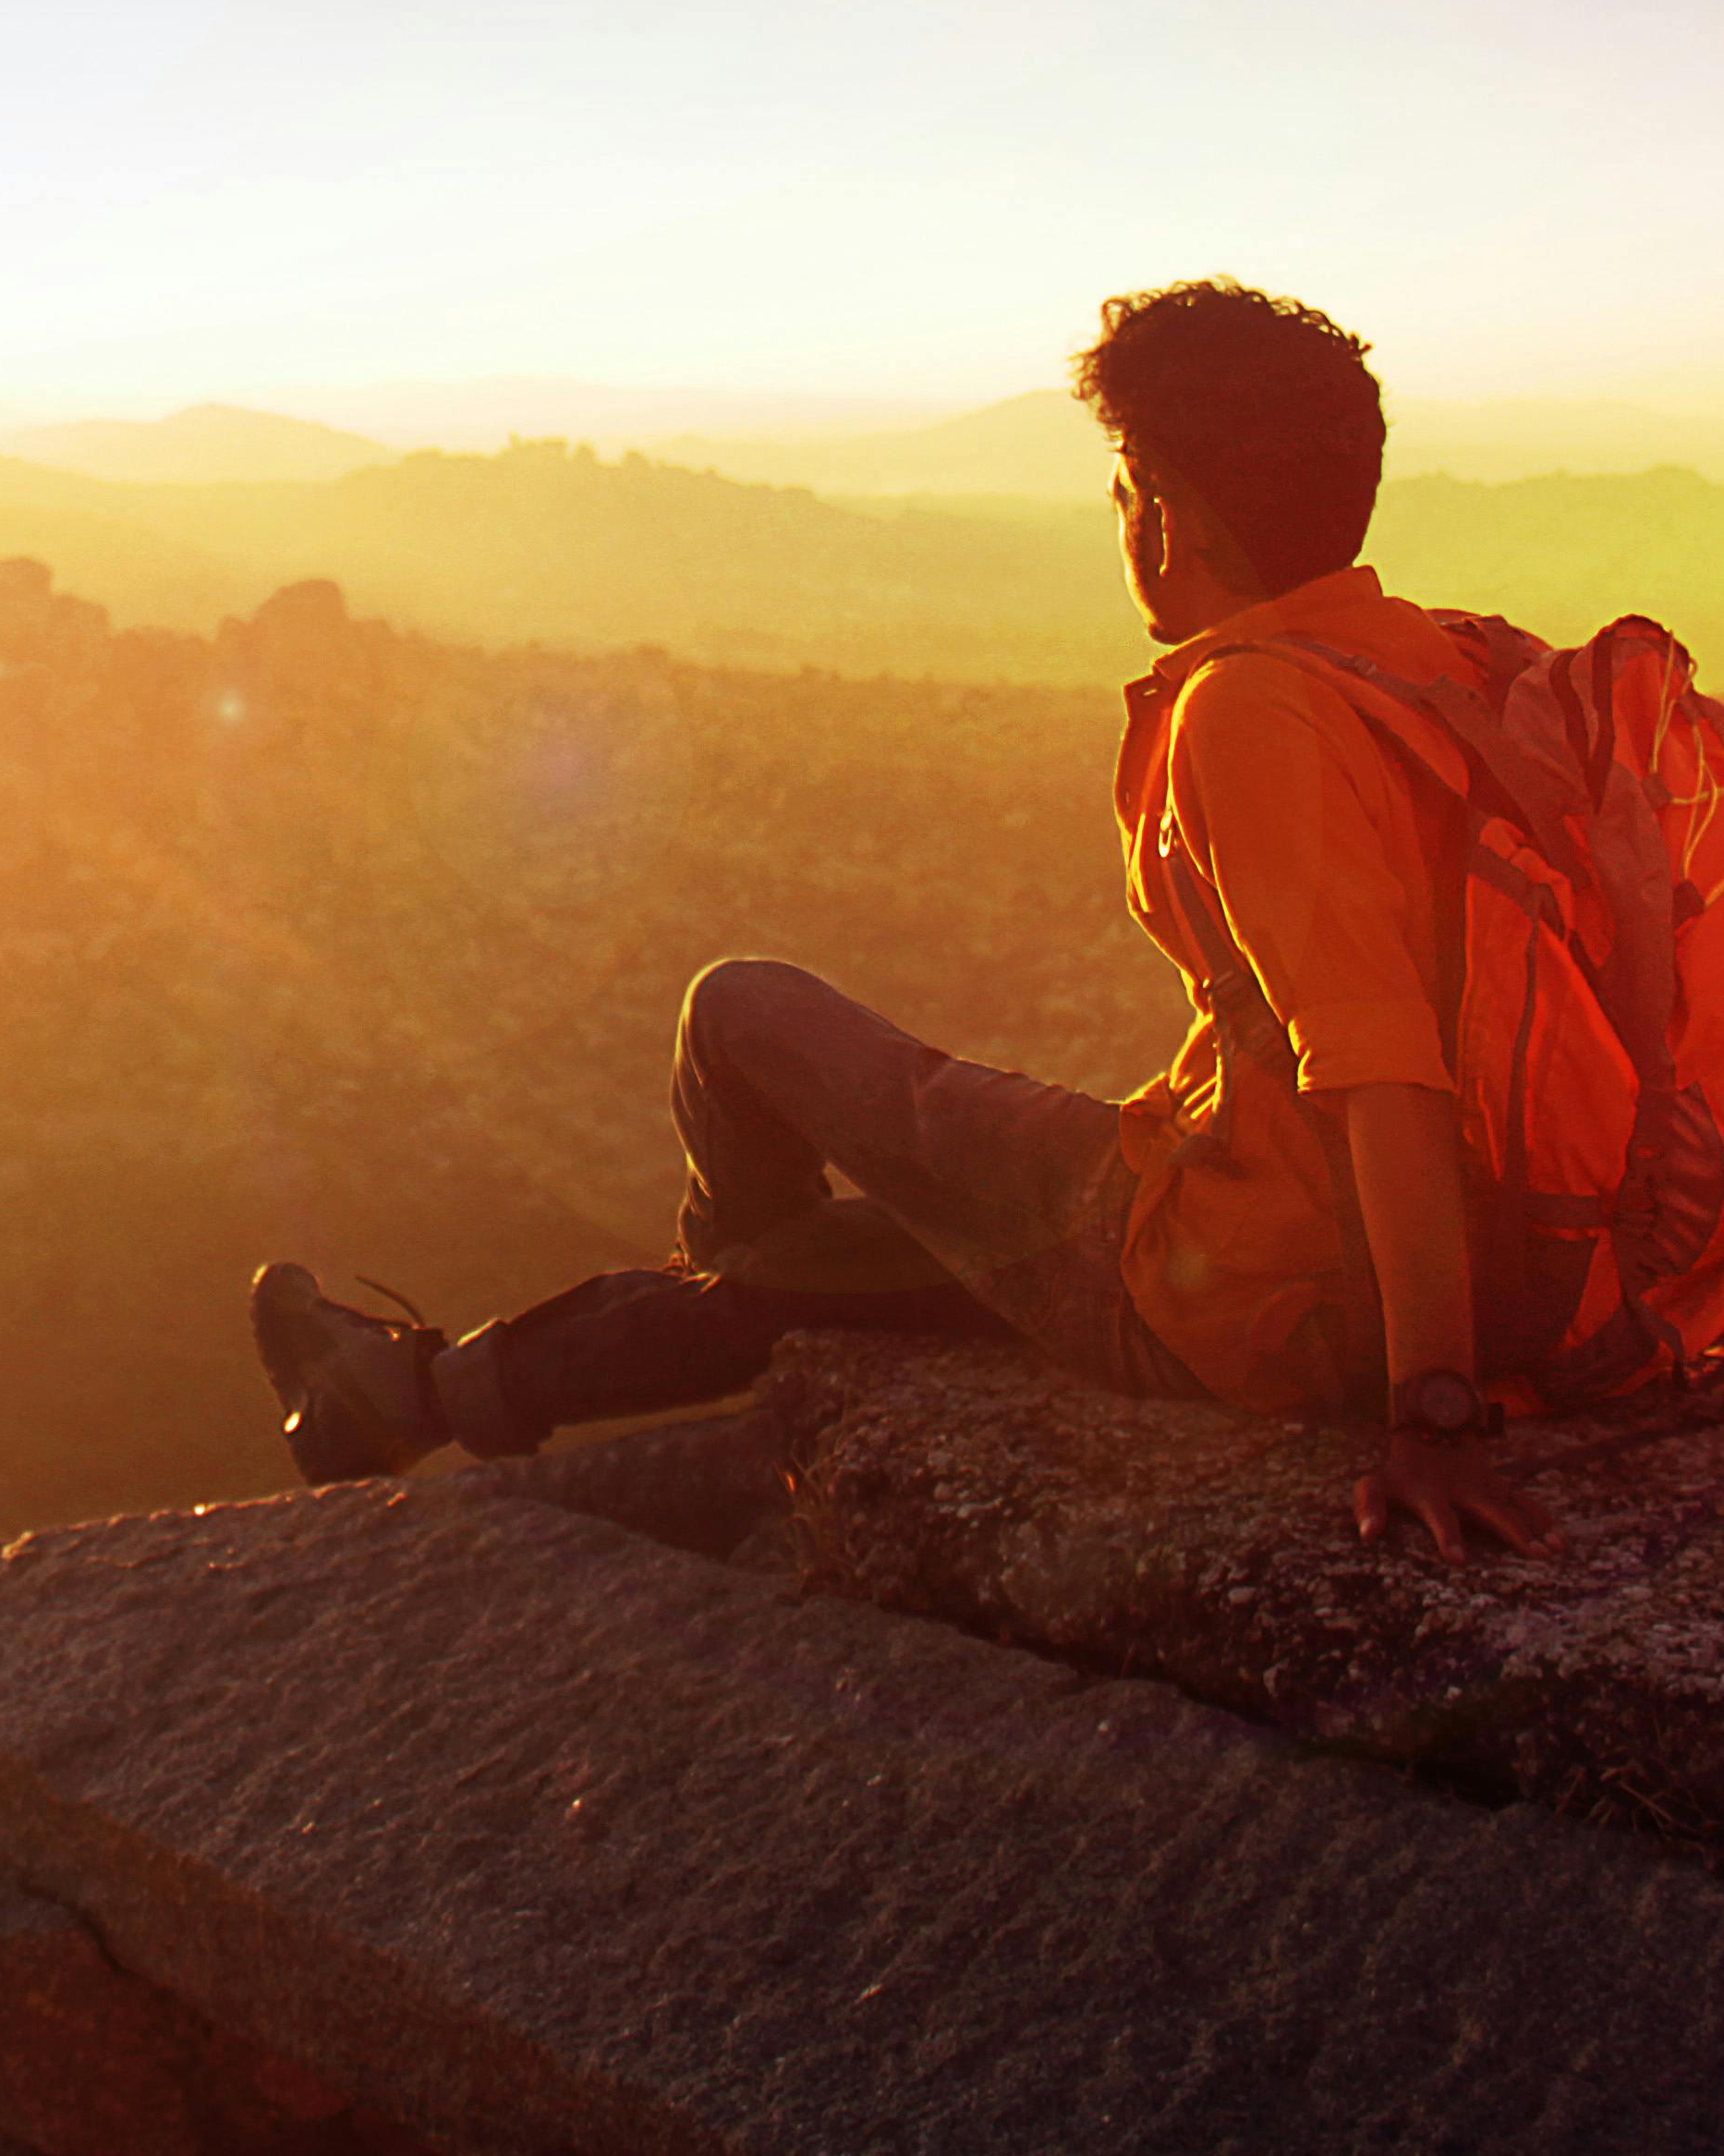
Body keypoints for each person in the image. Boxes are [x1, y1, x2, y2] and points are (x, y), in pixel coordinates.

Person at [249, 277, 1567, 1559]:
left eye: (1123, 490)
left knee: (740, 1013)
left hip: (1246, 1294)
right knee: (916, 1238)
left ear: (1167, 516)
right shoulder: (1448, 665)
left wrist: (1432, 1410)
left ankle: (718, 1309)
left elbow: (1386, 1072)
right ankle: (423, 1394)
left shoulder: (1252, 709)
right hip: (1444, 1256)